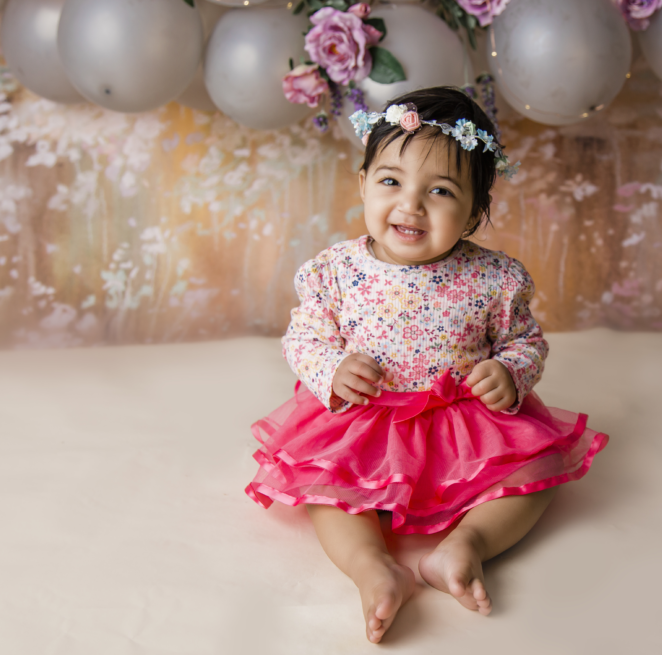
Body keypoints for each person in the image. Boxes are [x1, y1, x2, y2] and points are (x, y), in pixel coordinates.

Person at [245, 86, 608, 643]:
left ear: (473, 213)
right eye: (391, 181)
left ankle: (466, 546)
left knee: (539, 473)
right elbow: (305, 337)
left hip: (463, 423)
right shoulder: (334, 272)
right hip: (366, 421)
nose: (410, 205)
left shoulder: (494, 278)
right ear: (364, 183)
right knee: (326, 490)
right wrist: (332, 369)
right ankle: (373, 567)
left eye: (439, 191)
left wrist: (510, 371)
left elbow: (526, 340)